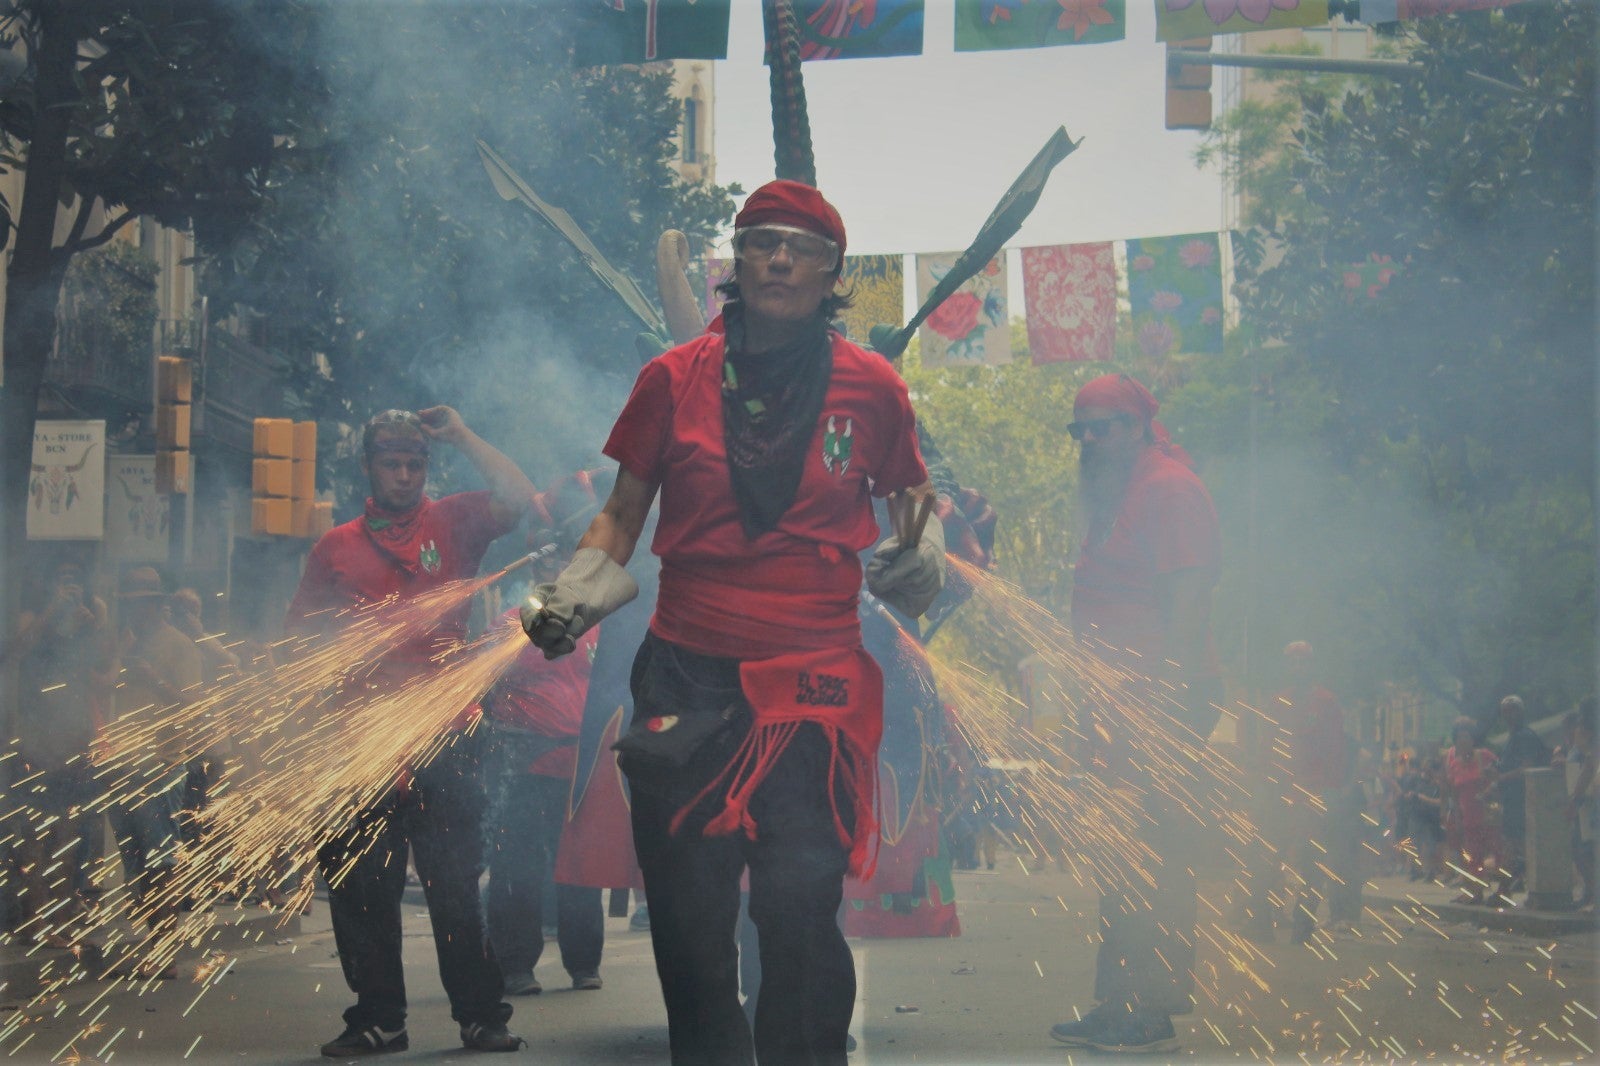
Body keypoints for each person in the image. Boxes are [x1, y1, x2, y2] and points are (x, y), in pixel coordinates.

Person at [522, 179, 940, 1066]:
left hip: (814, 682)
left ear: (833, 276)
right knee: (686, 913)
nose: (779, 258)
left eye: (801, 246)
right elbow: (624, 509)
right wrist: (583, 583)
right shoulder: (671, 379)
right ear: (736, 266)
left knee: (798, 901)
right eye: (761, 242)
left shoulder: (873, 388)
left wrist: (923, 546)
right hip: (688, 674)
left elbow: (910, 495)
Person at [285, 406, 532, 1057]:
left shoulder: (453, 519)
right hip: (359, 745)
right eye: (391, 463)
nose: (403, 474)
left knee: (454, 885)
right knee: (362, 888)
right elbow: (299, 645)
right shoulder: (333, 547)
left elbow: (519, 498)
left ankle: (481, 1014)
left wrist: (464, 433)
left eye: (415, 463)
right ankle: (379, 1018)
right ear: (368, 467)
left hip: (446, 739)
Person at [1048, 372, 1221, 1056]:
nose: (1091, 439)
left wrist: (1165, 712)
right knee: (1124, 856)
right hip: (1122, 704)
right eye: (1080, 428)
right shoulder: (1116, 497)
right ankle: (1117, 999)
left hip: (1163, 698)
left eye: (1106, 425)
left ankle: (1147, 1008)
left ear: (1141, 425)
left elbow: (1191, 601)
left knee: (1151, 854)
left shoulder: (1169, 489)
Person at [481, 581, 605, 996]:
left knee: (580, 867)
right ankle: (515, 964)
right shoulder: (508, 628)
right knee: (517, 867)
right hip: (522, 764)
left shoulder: (594, 628)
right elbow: (479, 686)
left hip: (578, 766)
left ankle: (584, 963)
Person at [4, 560, 112, 944]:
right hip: (37, 741)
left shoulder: (88, 621)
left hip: (74, 738)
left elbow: (103, 672)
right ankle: (35, 922)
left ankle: (63, 916)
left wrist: (92, 626)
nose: (71, 589)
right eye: (63, 581)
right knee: (35, 838)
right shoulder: (34, 616)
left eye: (74, 582)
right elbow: (14, 650)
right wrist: (52, 611)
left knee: (70, 835)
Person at [109, 565, 202, 976]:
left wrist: (155, 680)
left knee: (161, 859)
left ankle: (165, 951)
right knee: (135, 862)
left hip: (161, 766)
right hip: (123, 764)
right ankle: (153, 943)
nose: (135, 612)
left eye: (141, 604)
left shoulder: (179, 645)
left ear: (156, 605)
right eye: (129, 605)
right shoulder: (123, 645)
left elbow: (193, 706)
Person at [1489, 694, 1550, 895]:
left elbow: (1527, 768)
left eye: (1512, 710)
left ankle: (1508, 889)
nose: (1508, 715)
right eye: (1505, 711)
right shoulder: (1512, 738)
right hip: (1513, 800)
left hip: (1523, 800)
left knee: (1517, 845)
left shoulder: (1524, 736)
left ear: (1520, 712)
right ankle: (1514, 886)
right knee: (1514, 844)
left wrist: (1501, 777)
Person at [1443, 716, 1501, 904]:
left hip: (1489, 816)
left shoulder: (1484, 756)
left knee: (1498, 852)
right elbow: (1453, 792)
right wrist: (1455, 817)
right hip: (1468, 817)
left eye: (1466, 737)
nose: (1463, 741)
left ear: (1473, 738)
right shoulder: (1454, 764)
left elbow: (1498, 778)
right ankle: (1475, 892)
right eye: (1459, 738)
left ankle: (1503, 890)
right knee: (1473, 857)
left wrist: (1488, 792)